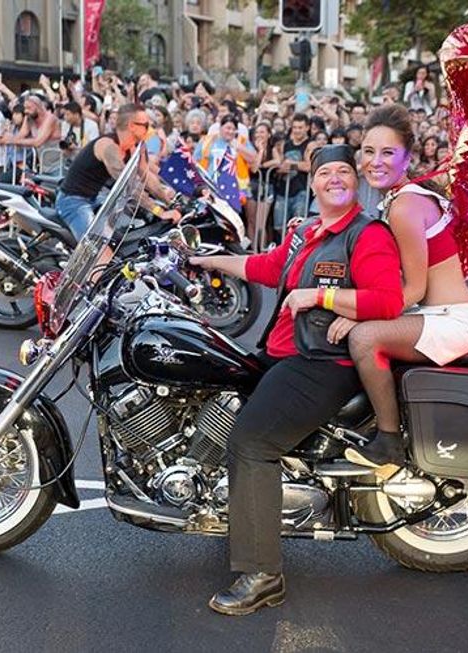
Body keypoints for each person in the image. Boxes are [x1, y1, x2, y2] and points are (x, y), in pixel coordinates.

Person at [188, 144, 404, 616]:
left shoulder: (367, 235)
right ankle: (236, 510)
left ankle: (264, 574)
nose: (334, 178)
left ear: (356, 181)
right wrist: (206, 261)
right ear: (312, 183)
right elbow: (266, 267)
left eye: (343, 171)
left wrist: (321, 296)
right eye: (324, 171)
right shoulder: (308, 231)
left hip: (323, 362)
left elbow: (388, 302)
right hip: (283, 354)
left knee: (252, 441)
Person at [323, 105, 468, 468]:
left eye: (388, 153)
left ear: (408, 157)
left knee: (364, 338)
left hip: (451, 319)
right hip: (434, 314)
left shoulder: (405, 205)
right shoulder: (399, 198)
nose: (375, 161)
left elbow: (412, 289)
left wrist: (358, 315)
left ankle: (388, 440)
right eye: (368, 151)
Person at [55, 103, 179, 239]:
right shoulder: (108, 147)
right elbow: (129, 185)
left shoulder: (136, 147)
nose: (149, 130)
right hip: (73, 201)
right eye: (146, 125)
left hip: (95, 197)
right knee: (95, 248)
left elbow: (147, 177)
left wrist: (169, 203)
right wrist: (158, 211)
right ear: (132, 126)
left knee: (123, 230)